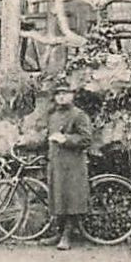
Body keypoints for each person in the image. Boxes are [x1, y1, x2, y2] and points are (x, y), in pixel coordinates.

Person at [45, 80, 93, 250]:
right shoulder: (53, 116)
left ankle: (67, 235)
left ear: (72, 95)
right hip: (57, 163)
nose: (62, 96)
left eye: (65, 93)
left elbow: (87, 138)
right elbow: (48, 137)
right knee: (58, 199)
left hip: (73, 165)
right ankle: (58, 233)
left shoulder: (79, 115)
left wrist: (66, 139)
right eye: (58, 94)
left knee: (71, 200)